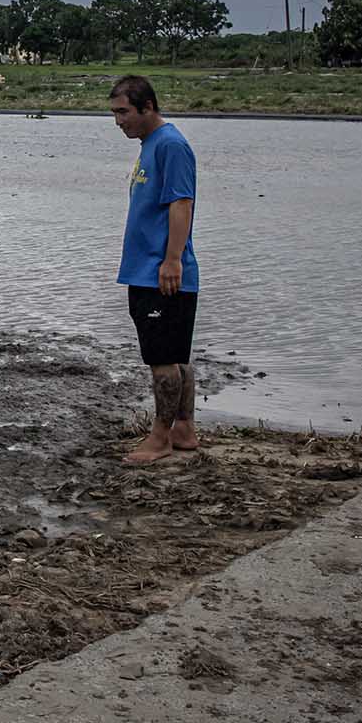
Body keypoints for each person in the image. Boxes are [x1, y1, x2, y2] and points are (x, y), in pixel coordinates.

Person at [108, 75, 198, 464]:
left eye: (123, 112)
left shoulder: (172, 145)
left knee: (162, 360)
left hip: (161, 271)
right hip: (147, 269)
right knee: (175, 356)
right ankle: (184, 429)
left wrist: (172, 260)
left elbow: (181, 203)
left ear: (147, 107)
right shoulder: (151, 144)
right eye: (114, 113)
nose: (118, 121)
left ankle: (159, 438)